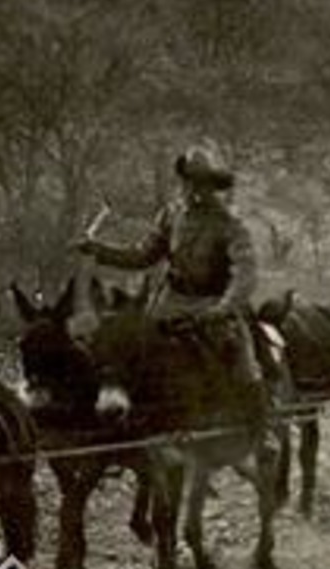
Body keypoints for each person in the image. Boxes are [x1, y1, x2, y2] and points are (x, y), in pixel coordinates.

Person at [74, 144, 266, 413]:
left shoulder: (230, 225)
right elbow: (142, 256)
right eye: (188, 182)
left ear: (213, 186)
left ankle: (262, 430)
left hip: (213, 306)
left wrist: (222, 309)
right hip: (169, 303)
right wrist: (99, 250)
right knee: (128, 348)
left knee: (245, 365)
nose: (193, 189)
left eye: (201, 183)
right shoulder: (171, 216)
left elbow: (246, 274)